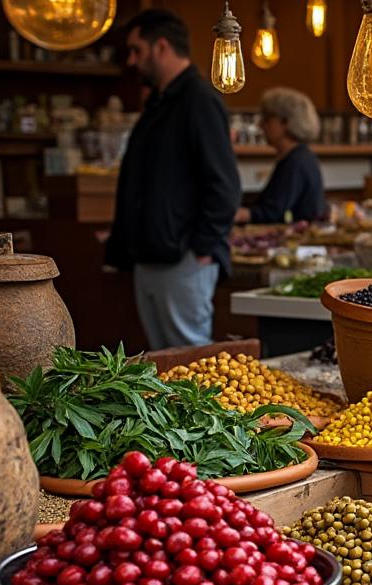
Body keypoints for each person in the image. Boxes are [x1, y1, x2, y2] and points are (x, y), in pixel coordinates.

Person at [105, 10, 239, 349]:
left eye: (137, 50)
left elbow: (224, 186)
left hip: (184, 260)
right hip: (152, 257)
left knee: (191, 367)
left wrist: (202, 249)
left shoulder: (199, 100)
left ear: (161, 46)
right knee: (163, 368)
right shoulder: (159, 103)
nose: (132, 61)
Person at [234, 88, 326, 225]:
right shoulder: (297, 156)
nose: (260, 125)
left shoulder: (297, 161)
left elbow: (272, 212)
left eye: (266, 118)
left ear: (285, 122)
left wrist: (236, 215)